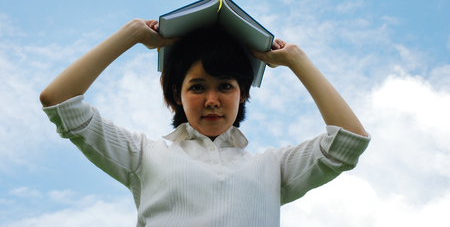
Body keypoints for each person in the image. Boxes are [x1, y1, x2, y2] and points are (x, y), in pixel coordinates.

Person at [40, 18, 370, 227]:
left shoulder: (272, 166)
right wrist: (130, 35)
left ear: (242, 94)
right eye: (197, 87)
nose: (212, 100)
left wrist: (297, 60)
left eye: (225, 86)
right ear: (177, 95)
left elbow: (349, 141)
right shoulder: (143, 154)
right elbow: (58, 100)